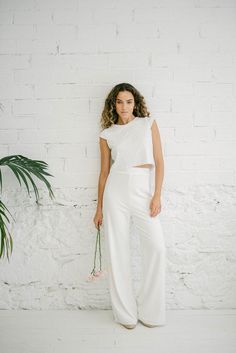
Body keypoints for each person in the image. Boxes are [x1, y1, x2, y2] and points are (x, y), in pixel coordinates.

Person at [93, 82, 166, 330]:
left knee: (156, 248)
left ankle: (151, 312)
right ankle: (125, 314)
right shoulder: (107, 134)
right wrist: (99, 208)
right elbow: (103, 173)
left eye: (129, 101)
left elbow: (159, 160)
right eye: (120, 102)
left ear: (136, 103)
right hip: (116, 190)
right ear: (113, 104)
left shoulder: (148, 124)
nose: (125, 106)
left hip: (143, 189)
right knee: (117, 251)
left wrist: (157, 195)